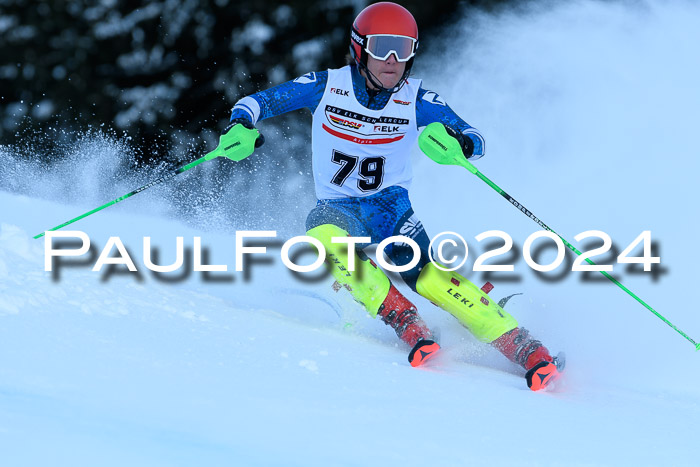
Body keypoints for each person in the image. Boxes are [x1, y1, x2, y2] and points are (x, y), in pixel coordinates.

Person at [221, 2, 563, 390]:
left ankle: (525, 348)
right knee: (324, 238)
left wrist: (459, 145)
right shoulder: (326, 85)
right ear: (359, 49)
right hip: (339, 207)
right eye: (382, 47)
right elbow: (256, 102)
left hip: (391, 209)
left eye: (403, 49)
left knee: (431, 278)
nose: (392, 60)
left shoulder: (416, 98)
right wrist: (240, 126)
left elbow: (475, 137)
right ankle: (406, 321)